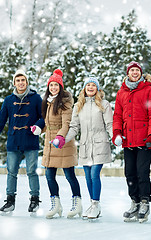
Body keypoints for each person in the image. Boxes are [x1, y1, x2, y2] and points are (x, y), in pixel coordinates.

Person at [0, 69, 45, 214]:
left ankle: (34, 200)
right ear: (14, 83)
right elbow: (0, 122)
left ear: (27, 82)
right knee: (11, 172)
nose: (20, 83)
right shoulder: (9, 100)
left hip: (30, 140)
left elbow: (44, 117)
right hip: (13, 141)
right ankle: (10, 201)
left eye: (22, 80)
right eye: (17, 80)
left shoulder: (36, 98)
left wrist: (38, 125)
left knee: (31, 171)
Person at [112, 61, 151, 223]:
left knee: (142, 172)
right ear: (128, 73)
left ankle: (145, 201)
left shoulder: (148, 90)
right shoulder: (121, 92)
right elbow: (117, 115)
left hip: (144, 140)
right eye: (132, 70)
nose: (134, 73)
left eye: (137, 70)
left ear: (141, 73)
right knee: (130, 173)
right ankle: (135, 201)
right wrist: (117, 132)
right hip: (128, 140)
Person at [65, 76, 113, 220]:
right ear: (84, 89)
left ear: (97, 89)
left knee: (94, 174)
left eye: (93, 85)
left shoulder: (104, 104)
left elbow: (109, 124)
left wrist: (115, 137)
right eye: (88, 85)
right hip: (85, 145)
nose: (90, 87)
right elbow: (74, 127)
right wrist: (64, 139)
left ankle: (96, 203)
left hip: (100, 144)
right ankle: (93, 205)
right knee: (87, 176)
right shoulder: (79, 106)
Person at [40, 69, 82, 219]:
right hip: (50, 144)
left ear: (60, 87)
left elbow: (66, 124)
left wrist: (59, 137)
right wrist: (39, 129)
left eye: (56, 85)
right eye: (51, 85)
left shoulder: (65, 102)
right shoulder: (47, 102)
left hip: (63, 143)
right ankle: (55, 203)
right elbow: (47, 123)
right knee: (49, 175)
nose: (53, 88)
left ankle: (77, 202)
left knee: (69, 175)